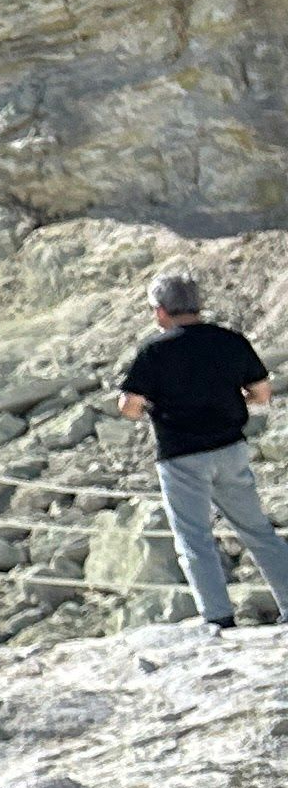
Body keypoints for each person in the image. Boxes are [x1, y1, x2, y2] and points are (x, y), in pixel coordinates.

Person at [117, 267, 288, 631]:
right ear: (198, 304)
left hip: (181, 456)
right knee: (258, 532)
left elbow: (130, 407)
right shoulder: (229, 340)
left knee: (194, 539)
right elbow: (261, 393)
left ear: (161, 310)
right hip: (230, 448)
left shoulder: (153, 351)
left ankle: (218, 618)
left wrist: (146, 407)